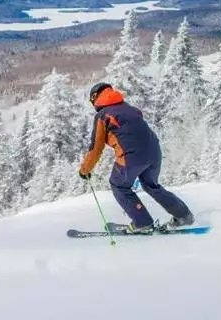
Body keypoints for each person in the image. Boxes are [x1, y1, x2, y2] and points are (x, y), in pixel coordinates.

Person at [78, 82, 194, 234]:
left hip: (131, 157)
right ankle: (184, 215)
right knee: (151, 185)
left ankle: (142, 222)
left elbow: (96, 148)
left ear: (95, 98)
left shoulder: (103, 116)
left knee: (119, 185)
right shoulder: (130, 108)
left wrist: (85, 170)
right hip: (154, 151)